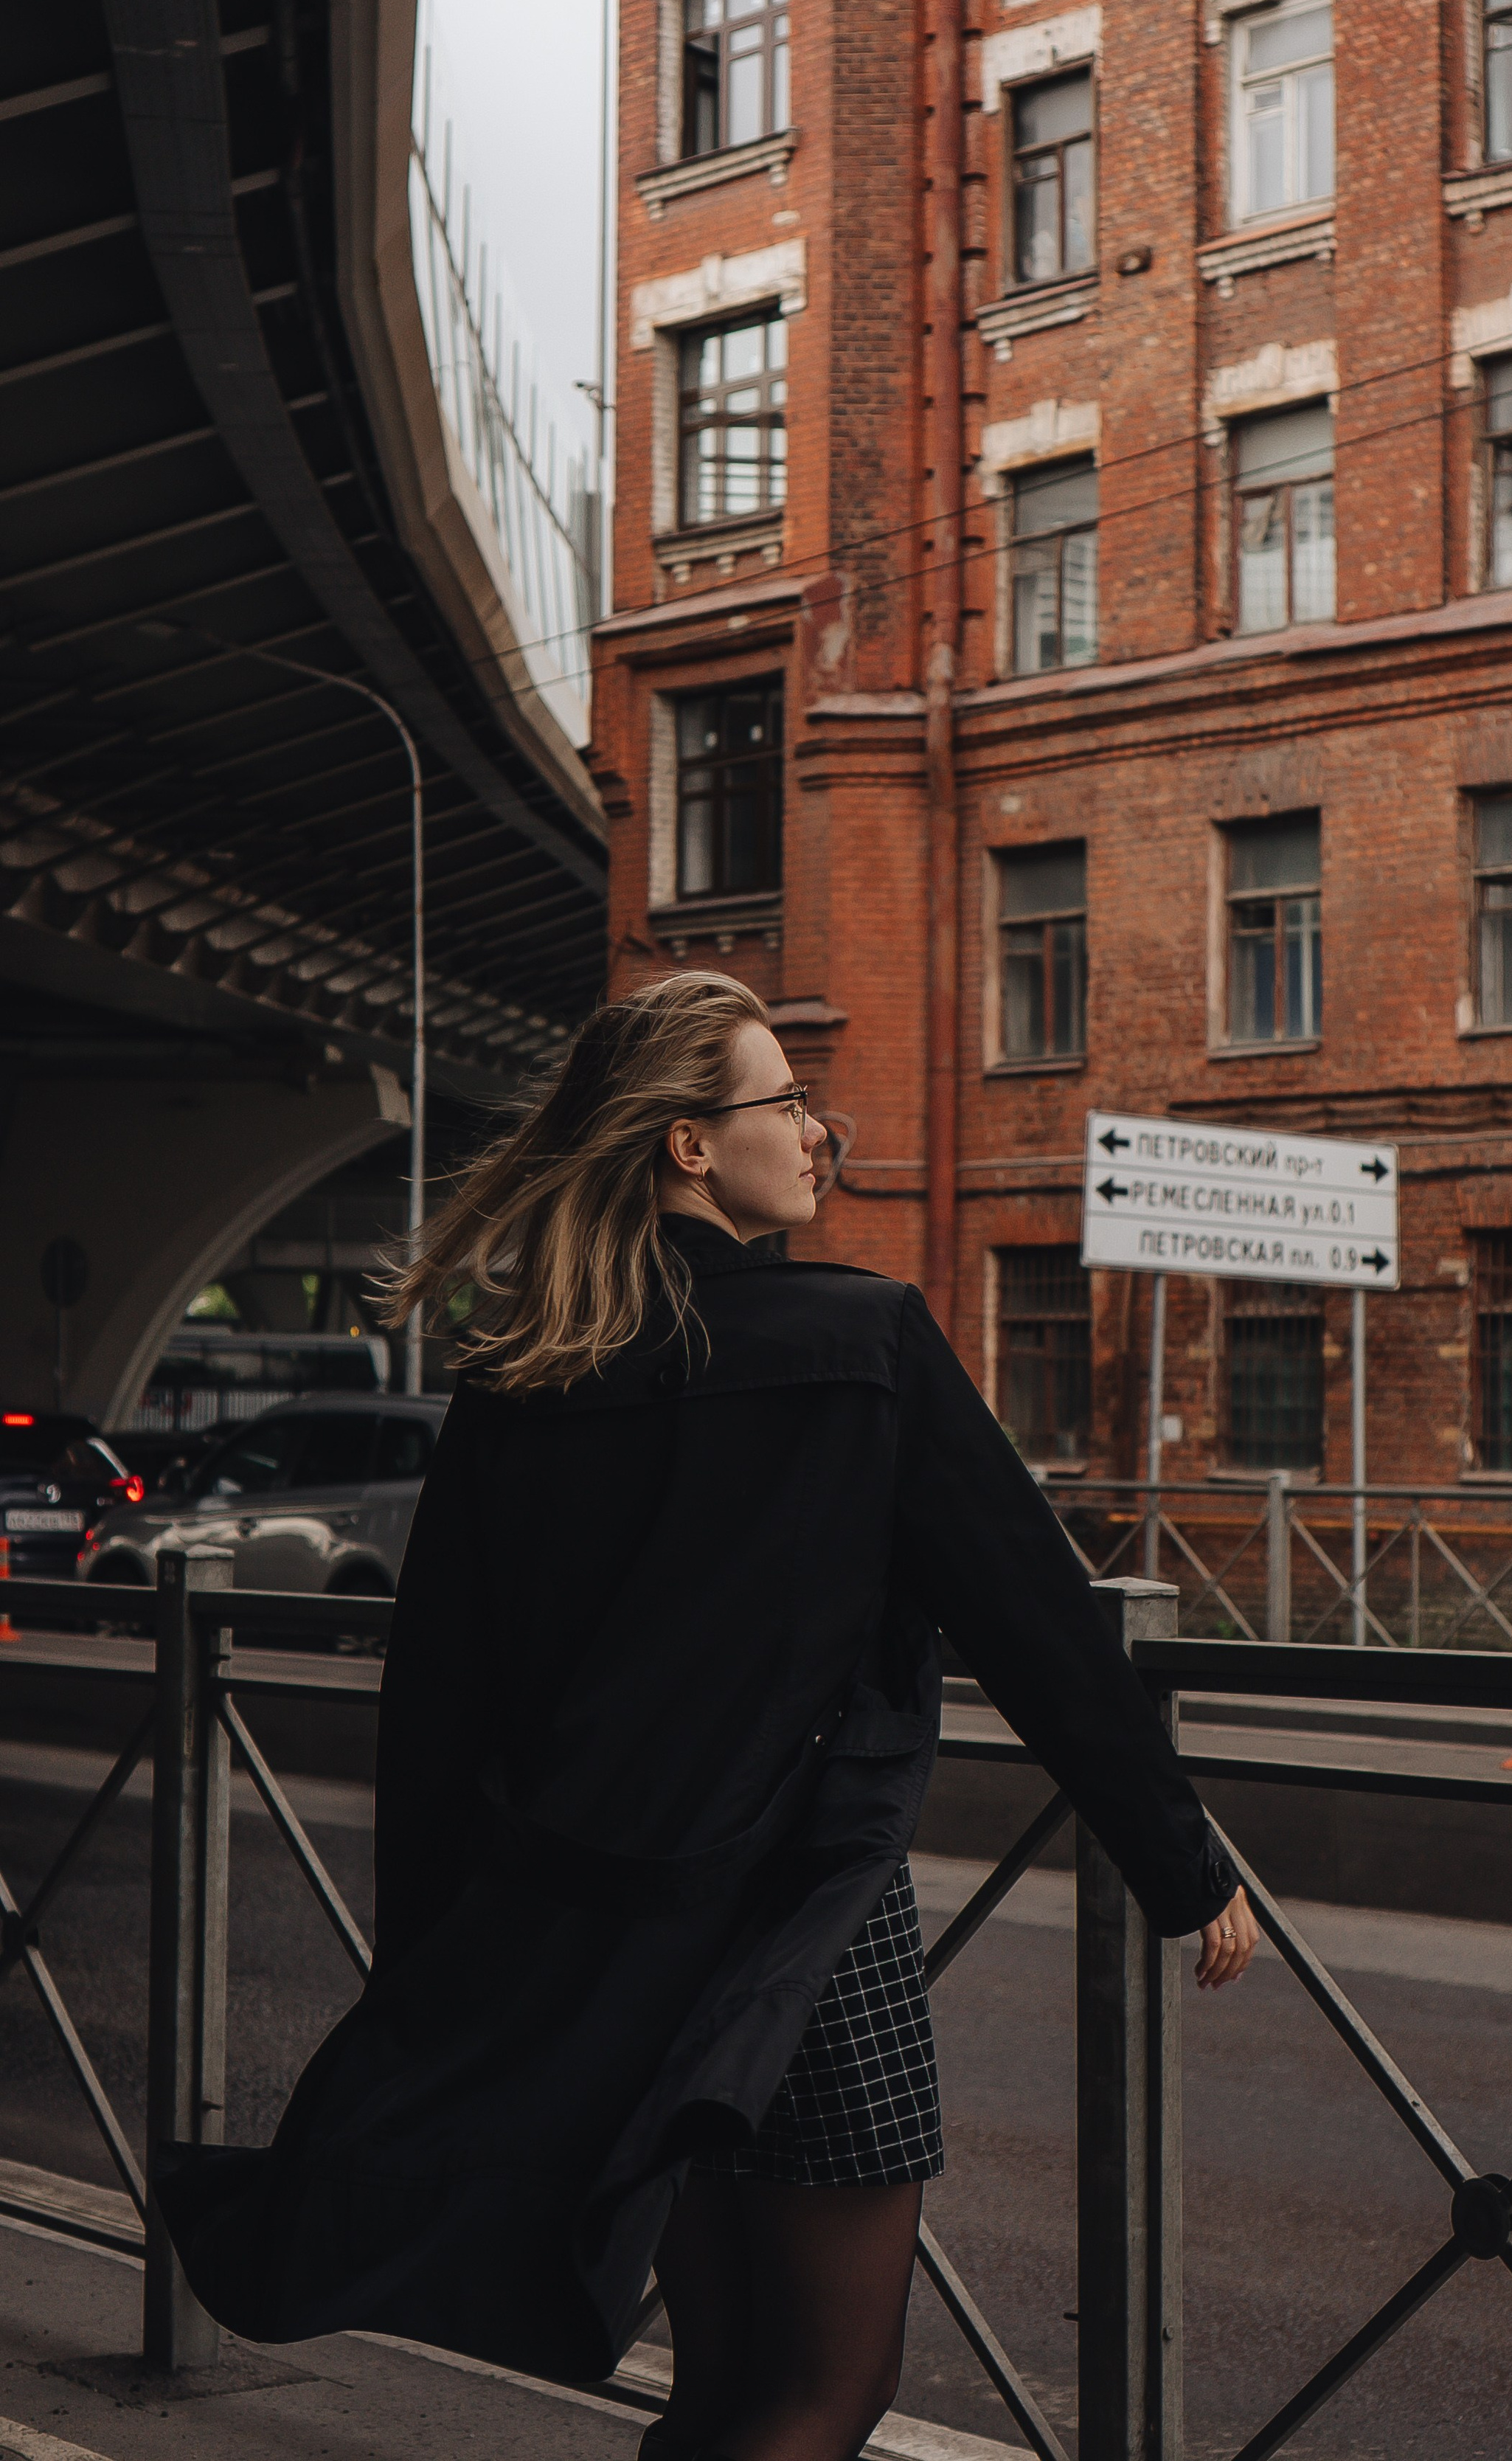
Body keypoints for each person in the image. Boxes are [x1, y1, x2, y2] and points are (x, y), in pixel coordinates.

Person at [156, 971, 1259, 2461]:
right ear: (688, 1143)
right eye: (786, 1101)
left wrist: (435, 1981)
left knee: (721, 2384)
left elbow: (441, 1712)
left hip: (607, 1942)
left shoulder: (523, 1376)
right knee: (827, 2389)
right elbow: (1041, 1629)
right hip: (808, 1929)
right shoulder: (863, 1342)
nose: (817, 1131)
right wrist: (1183, 1866)